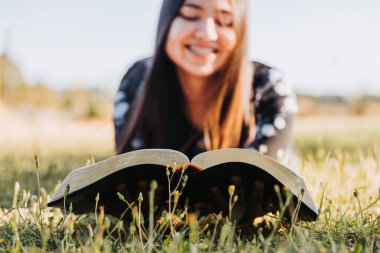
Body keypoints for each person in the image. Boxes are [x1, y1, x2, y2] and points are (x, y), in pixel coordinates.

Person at [112, 0, 298, 221]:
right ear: (166, 22)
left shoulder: (269, 86)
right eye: (190, 15)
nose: (207, 33)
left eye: (224, 21)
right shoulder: (137, 81)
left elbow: (271, 180)